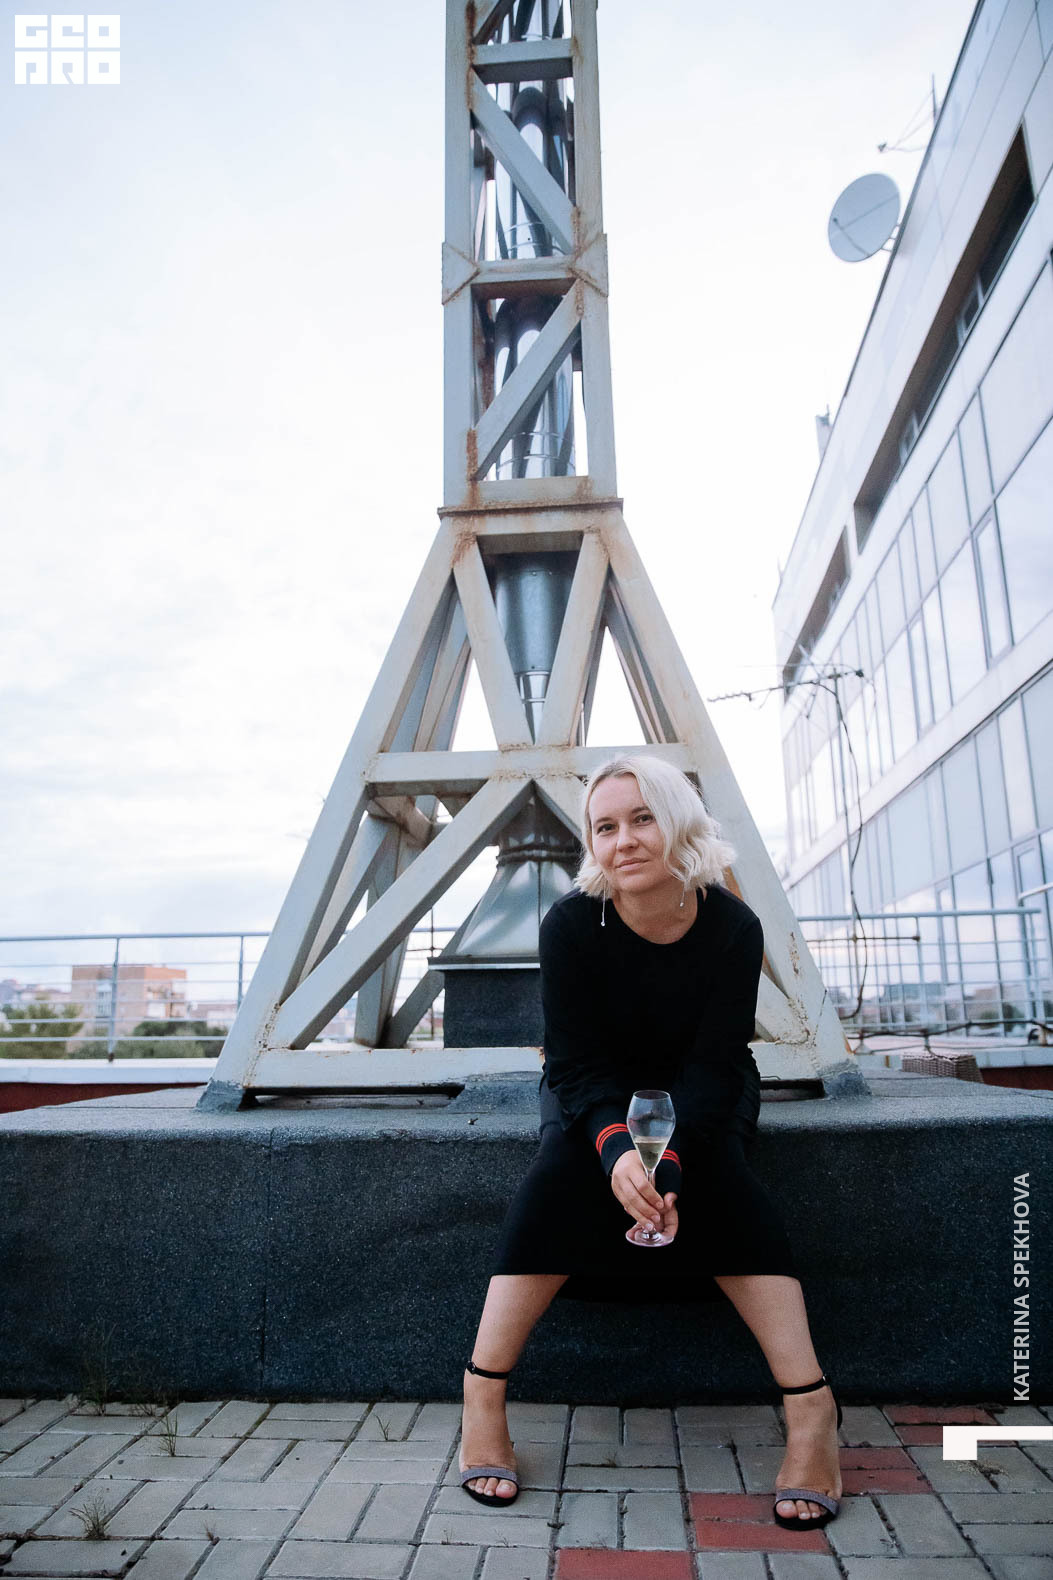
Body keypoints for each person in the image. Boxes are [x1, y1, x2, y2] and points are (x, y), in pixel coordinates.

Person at [458, 753, 843, 1531]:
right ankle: (482, 1396)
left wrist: (668, 1156)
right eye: (604, 827)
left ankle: (811, 1412)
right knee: (557, 1176)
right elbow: (571, 1062)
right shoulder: (571, 924)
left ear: (679, 823)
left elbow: (715, 1061)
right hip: (592, 1088)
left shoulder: (731, 925)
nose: (623, 840)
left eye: (641, 819)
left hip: (702, 1089)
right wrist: (614, 1150)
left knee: (722, 1180)